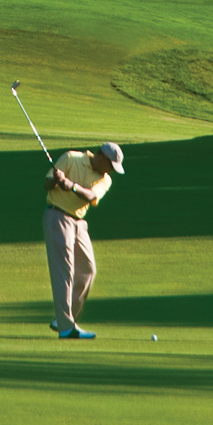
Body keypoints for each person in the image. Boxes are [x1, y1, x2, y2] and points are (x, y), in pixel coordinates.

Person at [42, 139, 123, 338]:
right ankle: (66, 327)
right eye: (111, 165)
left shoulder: (105, 179)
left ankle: (63, 319)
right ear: (101, 156)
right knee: (65, 271)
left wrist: (71, 185)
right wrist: (57, 179)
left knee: (88, 270)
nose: (111, 170)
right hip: (58, 216)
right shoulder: (71, 158)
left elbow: (89, 196)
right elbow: (46, 184)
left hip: (79, 223)